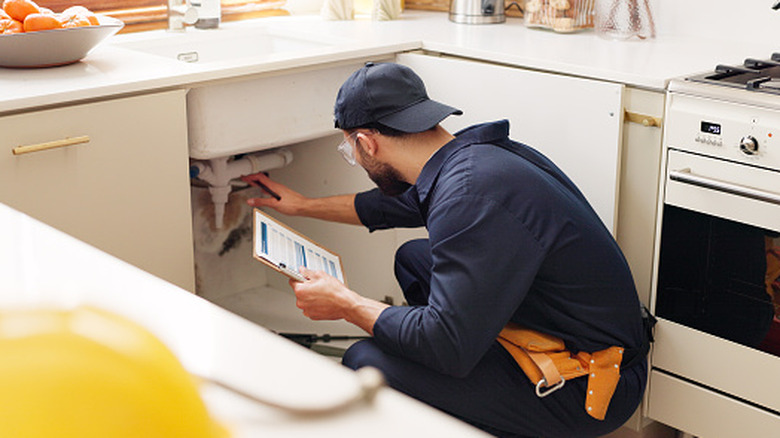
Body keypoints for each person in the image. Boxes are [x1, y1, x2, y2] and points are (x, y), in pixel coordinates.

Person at [242, 62, 649, 438]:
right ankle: (467, 394)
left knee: (366, 361)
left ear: (367, 143)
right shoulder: (472, 158)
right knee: (415, 259)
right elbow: (385, 207)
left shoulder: (470, 194)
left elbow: (447, 346)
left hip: (591, 382)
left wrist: (347, 304)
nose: (355, 158)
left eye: (350, 150)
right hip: (564, 331)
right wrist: (301, 206)